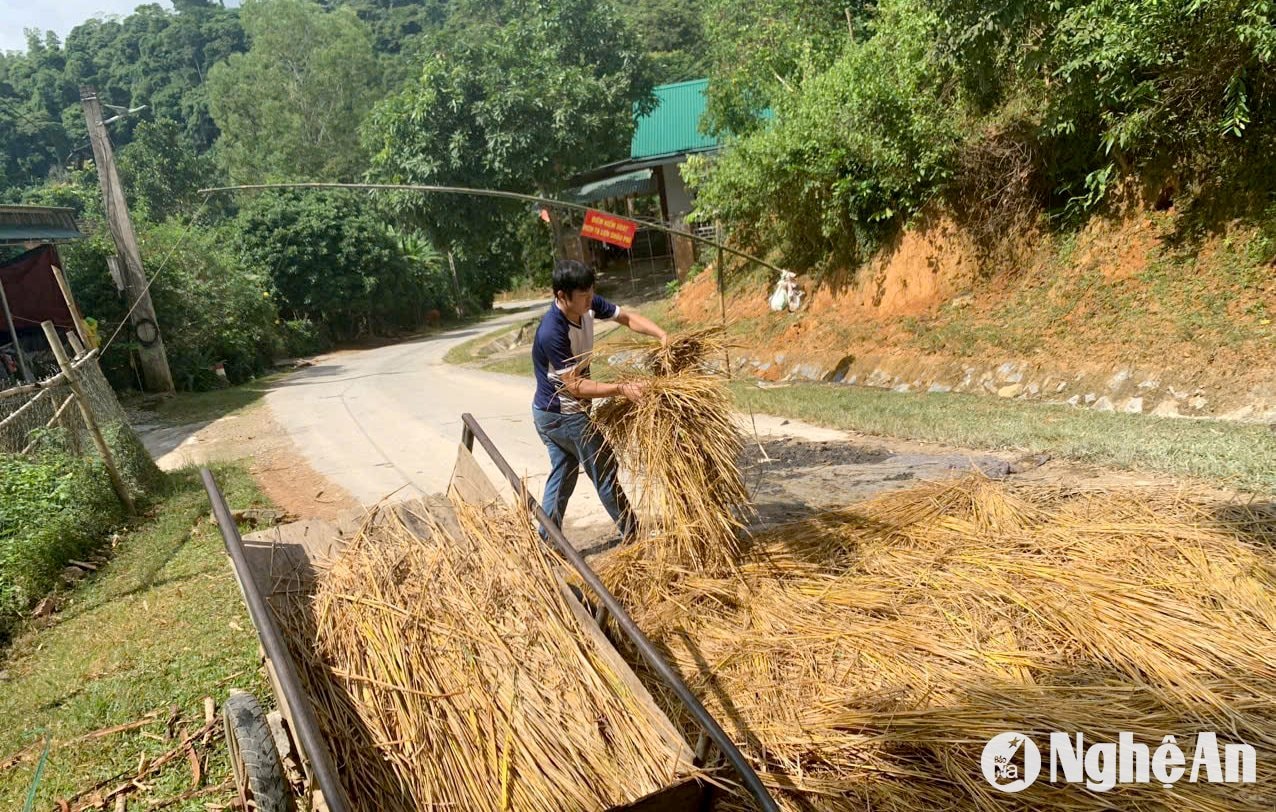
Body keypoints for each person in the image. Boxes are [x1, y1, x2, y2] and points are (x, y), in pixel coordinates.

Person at [531, 259, 667, 541]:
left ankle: (546, 542)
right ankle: (633, 534)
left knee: (564, 474)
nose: (590, 300)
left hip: (548, 413)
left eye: (591, 293)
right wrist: (622, 388)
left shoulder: (587, 303)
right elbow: (576, 386)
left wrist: (661, 335)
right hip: (562, 413)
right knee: (603, 467)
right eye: (583, 296)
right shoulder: (552, 331)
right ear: (561, 296)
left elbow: (626, 318)